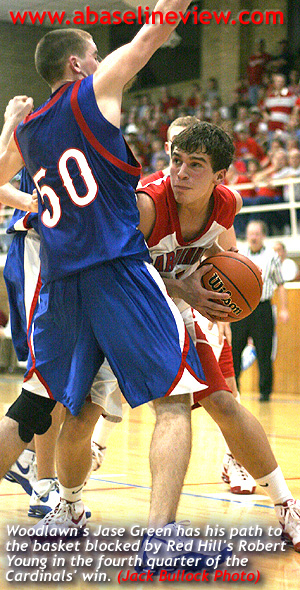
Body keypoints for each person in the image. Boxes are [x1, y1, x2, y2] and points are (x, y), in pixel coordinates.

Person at [0, 5, 228, 534]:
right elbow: (151, 35)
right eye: (97, 55)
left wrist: (10, 125)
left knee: (37, 408)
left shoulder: (29, 133)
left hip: (59, 282)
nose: (104, 61)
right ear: (79, 65)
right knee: (173, 402)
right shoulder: (92, 94)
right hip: (118, 269)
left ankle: (71, 504)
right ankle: (159, 535)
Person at [231, 220, 289, 402]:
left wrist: (284, 309)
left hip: (262, 309)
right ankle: (235, 389)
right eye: (250, 233)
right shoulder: (240, 254)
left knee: (265, 352)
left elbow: (280, 284)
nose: (253, 237)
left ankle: (265, 392)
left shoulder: (272, 256)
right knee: (235, 351)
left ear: (263, 236)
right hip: (241, 308)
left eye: (256, 234)